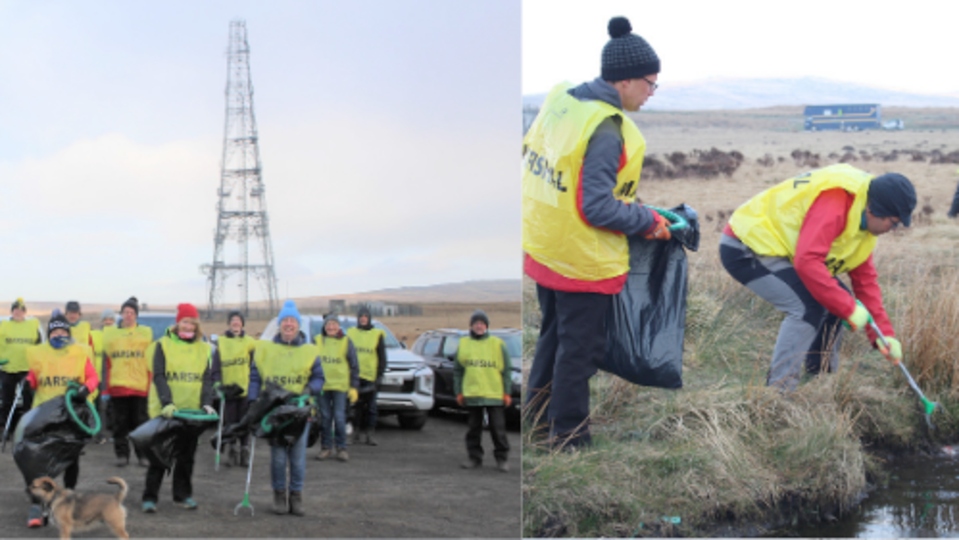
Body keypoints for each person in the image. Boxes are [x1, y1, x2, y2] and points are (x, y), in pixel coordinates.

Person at [523, 16, 669, 449]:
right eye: (650, 83)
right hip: (579, 257)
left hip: (545, 243)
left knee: (553, 337)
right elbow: (597, 206)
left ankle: (535, 424)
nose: (651, 92)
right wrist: (648, 223)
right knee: (579, 351)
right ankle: (568, 438)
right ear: (625, 81)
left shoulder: (564, 101)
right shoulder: (607, 128)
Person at [720, 164, 916, 391]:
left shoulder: (864, 219)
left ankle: (820, 380)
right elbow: (808, 261)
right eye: (893, 222)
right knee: (807, 307)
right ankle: (778, 393)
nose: (894, 228)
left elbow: (866, 283)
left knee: (837, 300)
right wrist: (848, 308)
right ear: (874, 211)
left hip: (782, 251)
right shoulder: (836, 203)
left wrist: (884, 336)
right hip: (746, 245)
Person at [247, 300, 324, 517]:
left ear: (298, 325)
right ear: (279, 325)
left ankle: (296, 496)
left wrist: (310, 389)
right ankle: (279, 495)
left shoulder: (310, 351)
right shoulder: (266, 350)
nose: (289, 324)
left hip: (299, 411)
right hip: (274, 411)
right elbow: (255, 376)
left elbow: (319, 377)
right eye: (285, 321)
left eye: (292, 321)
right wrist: (253, 401)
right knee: (278, 458)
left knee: (298, 458)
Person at [23, 314, 98, 527]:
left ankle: (69, 499)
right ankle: (38, 506)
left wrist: (86, 389)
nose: (59, 335)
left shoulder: (80, 354)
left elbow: (93, 378)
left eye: (63, 332)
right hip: (45, 417)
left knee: (71, 460)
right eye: (54, 332)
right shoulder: (39, 355)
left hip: (71, 416)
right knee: (40, 462)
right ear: (49, 335)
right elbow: (34, 378)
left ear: (69, 333)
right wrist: (28, 381)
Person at [141, 303, 217, 513]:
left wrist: (207, 403)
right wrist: (167, 403)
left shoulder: (204, 348)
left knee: (186, 457)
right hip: (166, 411)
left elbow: (206, 379)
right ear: (177, 323)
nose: (188, 326)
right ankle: (150, 497)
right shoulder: (162, 345)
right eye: (185, 321)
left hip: (190, 413)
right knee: (159, 455)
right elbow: (159, 375)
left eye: (193, 323)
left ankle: (182, 496)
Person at [455, 310, 512, 472]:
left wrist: (506, 392)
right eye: (476, 323)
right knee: (473, 429)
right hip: (472, 394)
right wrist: (458, 391)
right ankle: (474, 458)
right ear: (471, 326)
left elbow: (506, 370)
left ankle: (502, 459)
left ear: (486, 326)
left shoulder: (497, 344)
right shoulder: (464, 343)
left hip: (494, 394)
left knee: (497, 429)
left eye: (482, 323)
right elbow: (458, 371)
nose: (479, 326)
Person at [102, 297, 153, 467]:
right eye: (125, 312)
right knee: (120, 424)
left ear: (136, 316)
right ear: (121, 314)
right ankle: (122, 455)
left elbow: (149, 361)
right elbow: (109, 362)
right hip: (119, 387)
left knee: (141, 424)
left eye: (132, 312)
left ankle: (143, 455)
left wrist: (149, 384)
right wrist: (107, 387)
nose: (128, 315)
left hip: (139, 387)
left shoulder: (145, 334)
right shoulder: (112, 336)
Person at [211, 310, 257, 465]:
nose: (235, 323)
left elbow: (256, 365)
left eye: (238, 320)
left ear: (242, 324)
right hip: (229, 390)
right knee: (230, 422)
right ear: (229, 324)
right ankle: (232, 450)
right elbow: (216, 366)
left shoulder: (250, 342)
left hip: (245, 388)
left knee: (244, 421)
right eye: (233, 320)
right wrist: (217, 382)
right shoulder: (222, 342)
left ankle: (244, 449)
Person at [314, 313, 359, 462]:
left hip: (340, 386)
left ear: (339, 326)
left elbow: (354, 365)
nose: (331, 327)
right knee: (325, 417)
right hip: (322, 386)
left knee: (339, 417)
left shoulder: (346, 342)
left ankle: (341, 448)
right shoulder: (317, 341)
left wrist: (353, 386)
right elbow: (310, 363)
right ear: (324, 327)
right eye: (328, 324)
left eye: (334, 324)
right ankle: (326, 447)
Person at [0, 298, 43, 436]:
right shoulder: (3, 325)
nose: (18, 312)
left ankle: (27, 428)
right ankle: (7, 427)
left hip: (26, 369)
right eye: (15, 310)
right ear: (12, 311)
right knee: (7, 400)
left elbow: (39, 345)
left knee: (28, 400)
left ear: (24, 312)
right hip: (7, 368)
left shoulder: (32, 325)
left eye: (20, 310)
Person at [345, 306, 385, 446]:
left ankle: (369, 434)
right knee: (355, 406)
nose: (363, 319)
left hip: (371, 377)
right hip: (355, 377)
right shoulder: (351, 333)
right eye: (361, 316)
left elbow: (382, 358)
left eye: (365, 316)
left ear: (369, 318)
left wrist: (379, 376)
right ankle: (355, 433)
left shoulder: (377, 334)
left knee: (371, 407)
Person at [90, 309, 116, 444]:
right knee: (98, 406)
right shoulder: (95, 335)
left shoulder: (118, 335)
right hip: (98, 377)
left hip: (115, 377)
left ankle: (113, 433)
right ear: (102, 321)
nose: (108, 322)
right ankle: (98, 433)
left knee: (113, 407)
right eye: (106, 319)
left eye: (111, 320)